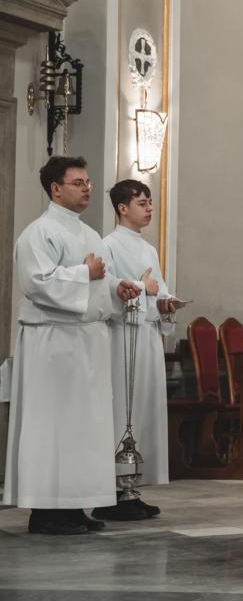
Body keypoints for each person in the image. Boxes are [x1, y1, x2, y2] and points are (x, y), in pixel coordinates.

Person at [3, 157, 140, 535]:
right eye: (78, 182)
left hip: (87, 341)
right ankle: (46, 511)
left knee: (84, 428)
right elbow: (37, 283)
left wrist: (117, 288)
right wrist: (84, 273)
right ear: (55, 189)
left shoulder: (90, 234)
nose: (87, 188)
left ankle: (74, 504)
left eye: (88, 182)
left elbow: (101, 281)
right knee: (53, 426)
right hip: (53, 343)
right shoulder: (38, 233)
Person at [92, 180, 177, 521]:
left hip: (148, 337)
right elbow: (108, 296)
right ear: (122, 208)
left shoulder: (149, 249)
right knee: (122, 411)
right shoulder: (108, 245)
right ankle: (111, 491)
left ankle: (131, 488)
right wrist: (146, 289)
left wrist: (166, 303)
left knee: (142, 410)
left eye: (151, 202)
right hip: (122, 337)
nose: (150, 208)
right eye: (142, 203)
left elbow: (159, 290)